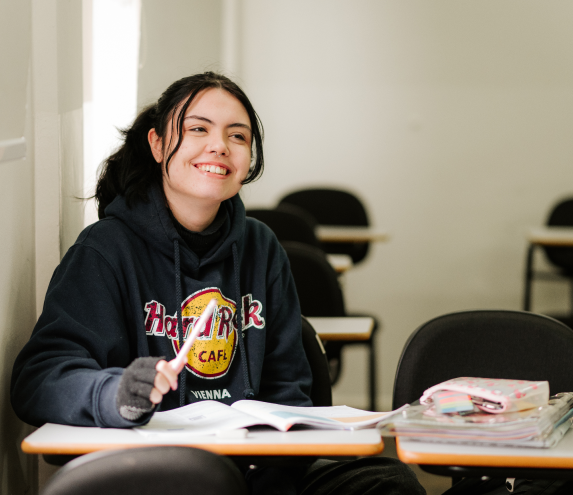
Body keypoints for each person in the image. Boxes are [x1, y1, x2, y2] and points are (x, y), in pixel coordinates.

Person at [11, 72, 425, 495]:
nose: (219, 146)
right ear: (156, 144)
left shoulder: (261, 248)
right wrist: (115, 392)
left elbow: (290, 390)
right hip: (155, 474)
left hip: (256, 471)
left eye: (238, 136)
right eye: (197, 129)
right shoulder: (105, 250)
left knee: (391, 485)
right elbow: (39, 378)